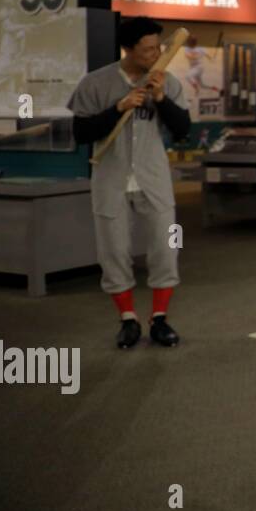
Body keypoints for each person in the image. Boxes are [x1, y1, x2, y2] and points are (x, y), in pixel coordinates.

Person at [68, 17, 190, 347]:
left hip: (154, 180)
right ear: (128, 49)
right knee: (114, 251)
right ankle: (127, 319)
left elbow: (183, 130)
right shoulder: (95, 83)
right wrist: (118, 108)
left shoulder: (167, 81)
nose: (155, 54)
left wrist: (162, 99)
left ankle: (160, 318)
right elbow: (81, 133)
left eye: (158, 47)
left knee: (166, 249)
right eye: (147, 49)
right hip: (110, 180)